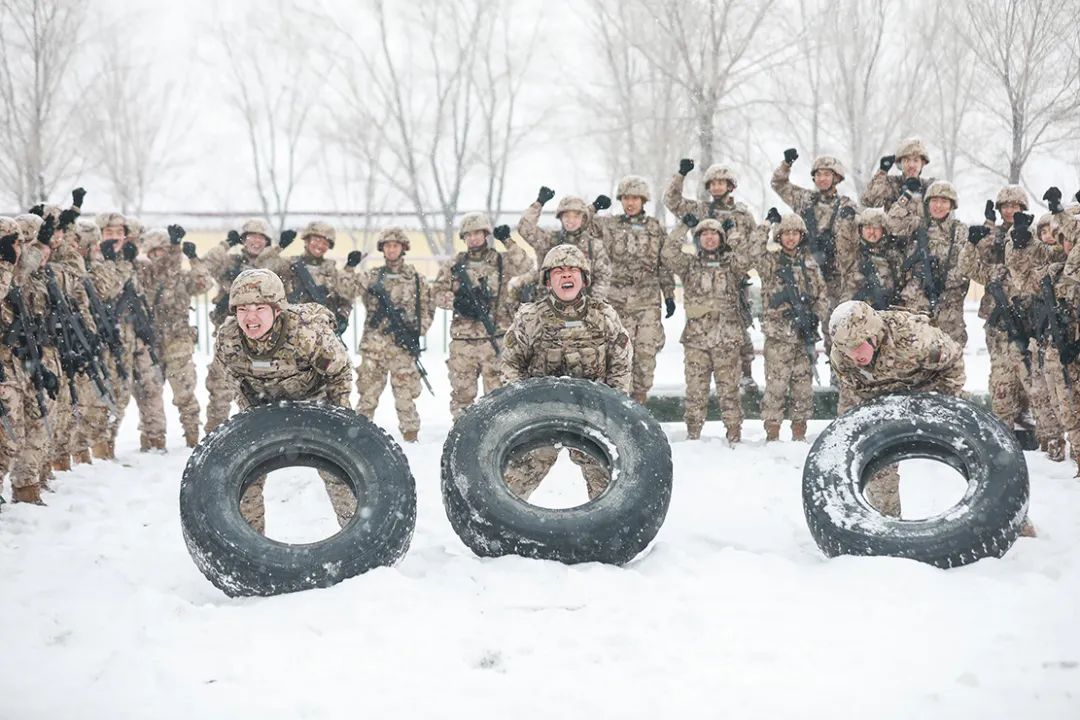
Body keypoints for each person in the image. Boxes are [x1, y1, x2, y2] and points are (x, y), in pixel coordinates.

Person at [214, 268, 355, 534]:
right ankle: (252, 544)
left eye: (259, 308)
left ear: (277, 309)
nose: (250, 318)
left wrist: (339, 419)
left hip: (316, 400)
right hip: (263, 404)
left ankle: (357, 537)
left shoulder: (305, 333)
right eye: (242, 309)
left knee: (339, 472)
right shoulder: (228, 340)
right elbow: (233, 377)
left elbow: (339, 372)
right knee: (245, 474)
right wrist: (250, 416)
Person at [500, 244, 632, 500]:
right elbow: (510, 363)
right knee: (510, 489)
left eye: (572, 270)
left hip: (592, 416)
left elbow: (620, 362)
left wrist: (612, 407)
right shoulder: (530, 317)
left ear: (584, 279)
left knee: (610, 491)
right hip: (541, 414)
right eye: (558, 271)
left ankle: (604, 537)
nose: (566, 275)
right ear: (548, 282)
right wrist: (524, 404)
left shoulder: (603, 315)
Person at [829, 301, 964, 517]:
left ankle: (1001, 512)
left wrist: (943, 403)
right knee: (875, 461)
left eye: (856, 346)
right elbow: (852, 400)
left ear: (872, 336)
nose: (853, 356)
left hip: (927, 389)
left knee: (976, 446)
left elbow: (953, 360)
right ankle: (889, 524)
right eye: (846, 349)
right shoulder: (843, 359)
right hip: (881, 400)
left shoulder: (914, 339)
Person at [733, 210, 829, 441]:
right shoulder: (770, 263)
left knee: (802, 391)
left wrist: (815, 316)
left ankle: (799, 434)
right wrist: (766, 224)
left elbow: (822, 297)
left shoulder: (810, 266)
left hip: (802, 337)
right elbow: (753, 249)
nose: (790, 238)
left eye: (795, 233)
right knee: (775, 390)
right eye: (785, 233)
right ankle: (772, 435)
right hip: (778, 338)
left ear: (801, 236)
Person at [664, 158, 758, 388]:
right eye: (712, 183)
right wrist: (681, 175)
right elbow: (672, 200)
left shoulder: (743, 215)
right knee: (699, 324)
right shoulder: (702, 210)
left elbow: (752, 249)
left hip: (733, 277)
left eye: (721, 182)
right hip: (703, 277)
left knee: (740, 326)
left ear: (730, 185)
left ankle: (745, 374)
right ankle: (700, 377)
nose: (716, 187)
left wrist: (733, 239)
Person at [432, 213, 533, 418]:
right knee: (462, 396)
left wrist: (507, 240)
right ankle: (463, 439)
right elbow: (435, 293)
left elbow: (526, 265)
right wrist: (458, 303)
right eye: (468, 234)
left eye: (477, 233)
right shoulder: (454, 264)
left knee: (498, 397)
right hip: (463, 341)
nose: (473, 238)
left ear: (486, 234)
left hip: (494, 338)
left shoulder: (500, 261)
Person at [663, 215, 751, 443]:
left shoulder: (731, 264)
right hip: (696, 341)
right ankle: (694, 436)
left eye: (714, 234)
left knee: (729, 392)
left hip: (727, 340)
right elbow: (668, 253)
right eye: (704, 234)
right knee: (695, 393)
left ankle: (734, 435)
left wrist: (733, 235)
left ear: (721, 238)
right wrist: (683, 226)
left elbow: (748, 257)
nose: (709, 238)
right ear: (698, 238)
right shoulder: (689, 265)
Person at [342, 227, 434, 442]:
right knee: (367, 397)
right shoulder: (372, 276)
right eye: (387, 246)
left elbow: (428, 309)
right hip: (374, 347)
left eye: (395, 245)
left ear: (403, 248)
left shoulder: (417, 279)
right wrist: (349, 267)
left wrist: (417, 331)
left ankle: (411, 438)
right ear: (382, 249)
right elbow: (346, 290)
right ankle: (359, 439)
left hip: (402, 347)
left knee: (405, 398)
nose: (391, 249)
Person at [590, 175, 675, 403]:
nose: (630, 203)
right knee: (618, 355)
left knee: (645, 356)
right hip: (616, 302)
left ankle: (639, 406)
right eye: (626, 198)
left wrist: (669, 295)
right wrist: (594, 208)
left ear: (643, 200)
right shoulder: (609, 225)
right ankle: (617, 406)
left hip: (647, 302)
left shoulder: (655, 228)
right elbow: (579, 224)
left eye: (635, 198)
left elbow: (663, 263)